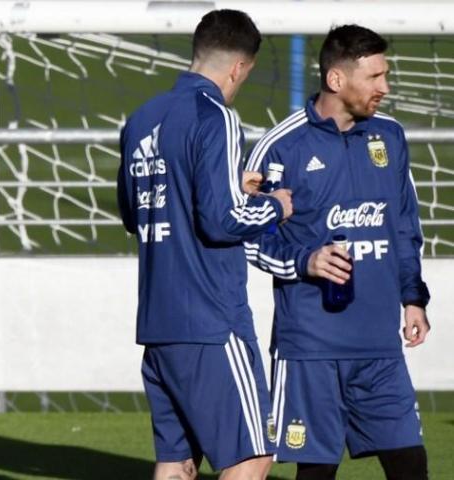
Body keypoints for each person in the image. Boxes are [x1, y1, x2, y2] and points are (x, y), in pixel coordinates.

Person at [245, 25, 430, 480]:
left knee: (411, 467)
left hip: (380, 348)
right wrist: (304, 261)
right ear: (336, 80)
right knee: (316, 473)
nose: (385, 88)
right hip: (310, 348)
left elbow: (404, 224)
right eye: (374, 77)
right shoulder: (281, 146)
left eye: (385, 75)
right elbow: (248, 237)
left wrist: (413, 297)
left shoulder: (390, 137)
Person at [117, 9, 293, 480]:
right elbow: (222, 222)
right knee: (252, 456)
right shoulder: (216, 115)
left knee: (177, 464)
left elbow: (136, 214)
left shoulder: (141, 119)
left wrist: (232, 188)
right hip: (211, 320)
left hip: (158, 322)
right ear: (240, 67)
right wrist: (275, 204)